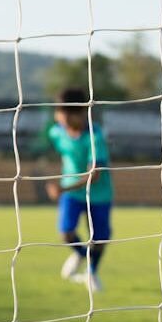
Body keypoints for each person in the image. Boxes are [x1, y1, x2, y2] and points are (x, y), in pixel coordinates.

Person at [45, 88, 113, 293]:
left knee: (100, 239)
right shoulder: (56, 132)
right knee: (66, 233)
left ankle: (91, 272)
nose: (58, 116)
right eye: (57, 112)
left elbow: (95, 174)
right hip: (73, 193)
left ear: (79, 113)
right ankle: (82, 255)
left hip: (98, 193)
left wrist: (63, 187)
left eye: (63, 113)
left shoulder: (94, 136)